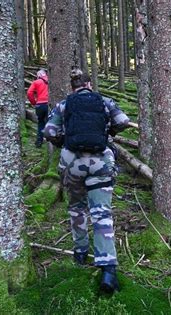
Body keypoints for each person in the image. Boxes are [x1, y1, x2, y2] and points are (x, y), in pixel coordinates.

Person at [43, 69, 129, 294]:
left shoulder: (64, 104)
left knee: (77, 209)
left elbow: (49, 130)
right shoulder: (104, 101)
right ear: (89, 84)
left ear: (73, 87)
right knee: (102, 213)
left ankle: (80, 254)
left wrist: (64, 141)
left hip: (72, 163)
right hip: (101, 162)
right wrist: (108, 133)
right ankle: (108, 269)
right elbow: (123, 120)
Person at [27, 69, 49, 147]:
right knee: (50, 122)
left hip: (40, 105)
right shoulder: (51, 81)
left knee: (41, 123)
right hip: (49, 104)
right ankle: (50, 143)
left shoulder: (36, 82)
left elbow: (29, 93)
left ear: (39, 75)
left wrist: (34, 102)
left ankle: (39, 141)